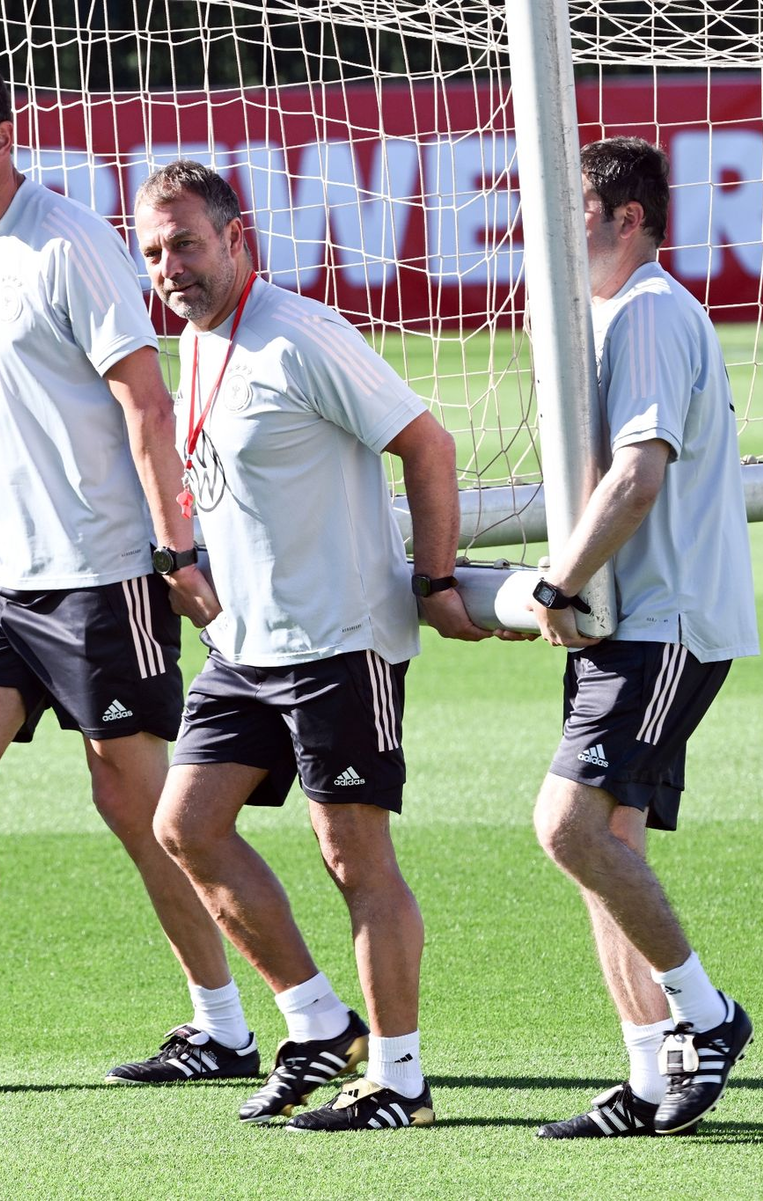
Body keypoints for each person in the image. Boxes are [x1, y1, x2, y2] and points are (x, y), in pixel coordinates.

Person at [0, 52, 258, 1092]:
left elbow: (147, 404)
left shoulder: (69, 245)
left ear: (0, 137)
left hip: (100, 569)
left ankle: (229, 1025)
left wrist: (174, 545)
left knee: (136, 805)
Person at [128, 160, 498, 1131]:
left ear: (238, 237)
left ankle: (402, 1080)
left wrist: (436, 578)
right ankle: (318, 1020)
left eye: (188, 244)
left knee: (352, 855)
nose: (171, 265)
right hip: (245, 644)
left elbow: (428, 444)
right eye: (156, 249)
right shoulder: (203, 340)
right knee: (186, 825)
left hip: (337, 641)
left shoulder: (302, 334)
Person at [529, 137, 757, 1139]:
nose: (554, 228)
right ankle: (651, 1072)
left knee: (566, 827)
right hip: (634, 624)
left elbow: (638, 476)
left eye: (573, 207)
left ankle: (707, 1018)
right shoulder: (615, 316)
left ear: (628, 219)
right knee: (603, 847)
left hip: (663, 626)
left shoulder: (655, 311)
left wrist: (555, 580)